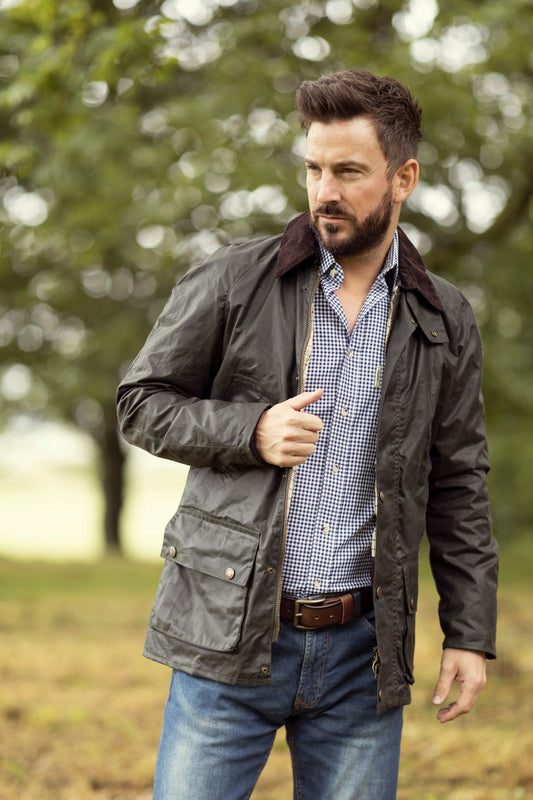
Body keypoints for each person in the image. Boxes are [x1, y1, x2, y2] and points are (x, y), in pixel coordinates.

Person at [116, 69, 498, 800]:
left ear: (403, 177)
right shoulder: (232, 281)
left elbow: (458, 481)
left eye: (348, 171)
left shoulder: (442, 317)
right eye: (313, 169)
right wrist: (248, 430)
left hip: (363, 652)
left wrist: (468, 632)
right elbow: (140, 402)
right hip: (229, 633)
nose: (324, 191)